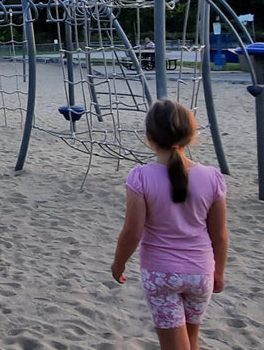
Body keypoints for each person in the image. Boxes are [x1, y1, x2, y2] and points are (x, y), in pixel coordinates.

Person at [112, 100, 229, 350]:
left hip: (160, 273)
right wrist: (219, 271)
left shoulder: (140, 177)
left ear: (149, 137)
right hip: (201, 271)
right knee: (191, 340)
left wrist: (118, 263)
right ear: (191, 136)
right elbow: (219, 234)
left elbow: (133, 232)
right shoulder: (212, 177)